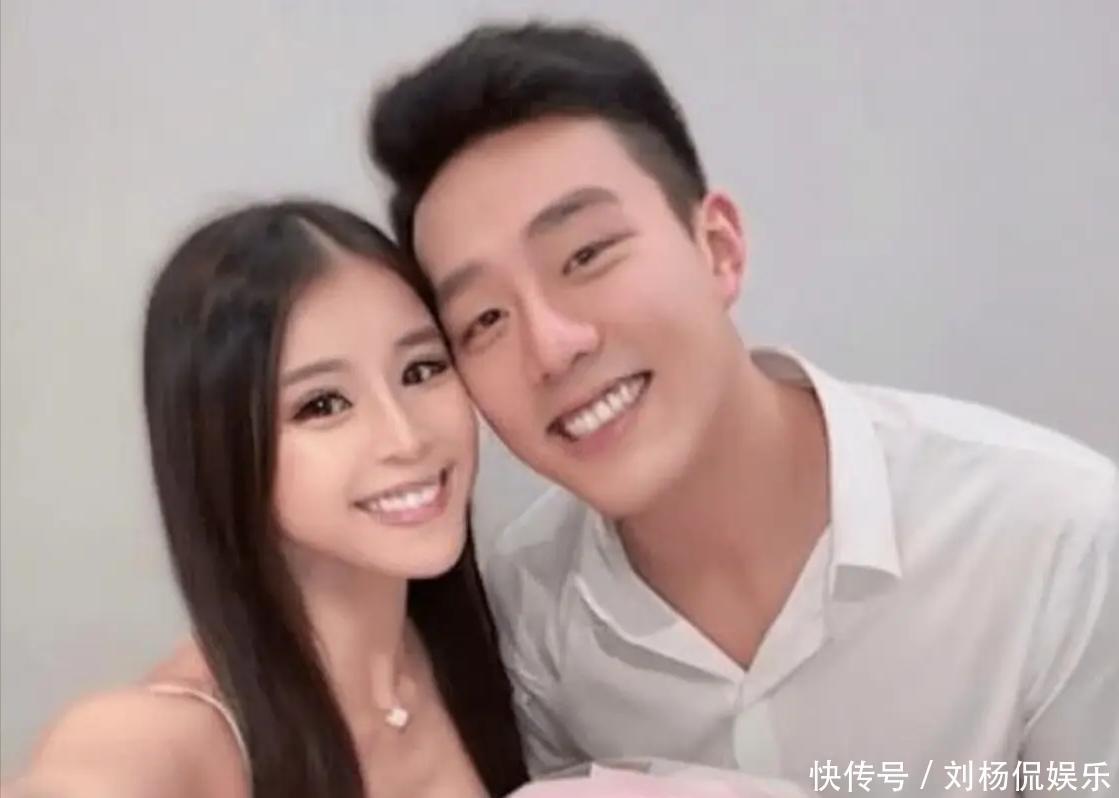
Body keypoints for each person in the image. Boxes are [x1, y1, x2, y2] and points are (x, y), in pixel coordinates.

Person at [367, 21, 1119, 791]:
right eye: (483, 319)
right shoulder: (524, 608)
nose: (552, 347)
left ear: (718, 247)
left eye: (586, 255)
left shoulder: (1052, 538)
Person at [9, 201, 528, 797]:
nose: (406, 438)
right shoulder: (182, 736)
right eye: (323, 404)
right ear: (220, 444)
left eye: (421, 370)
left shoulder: (506, 635)